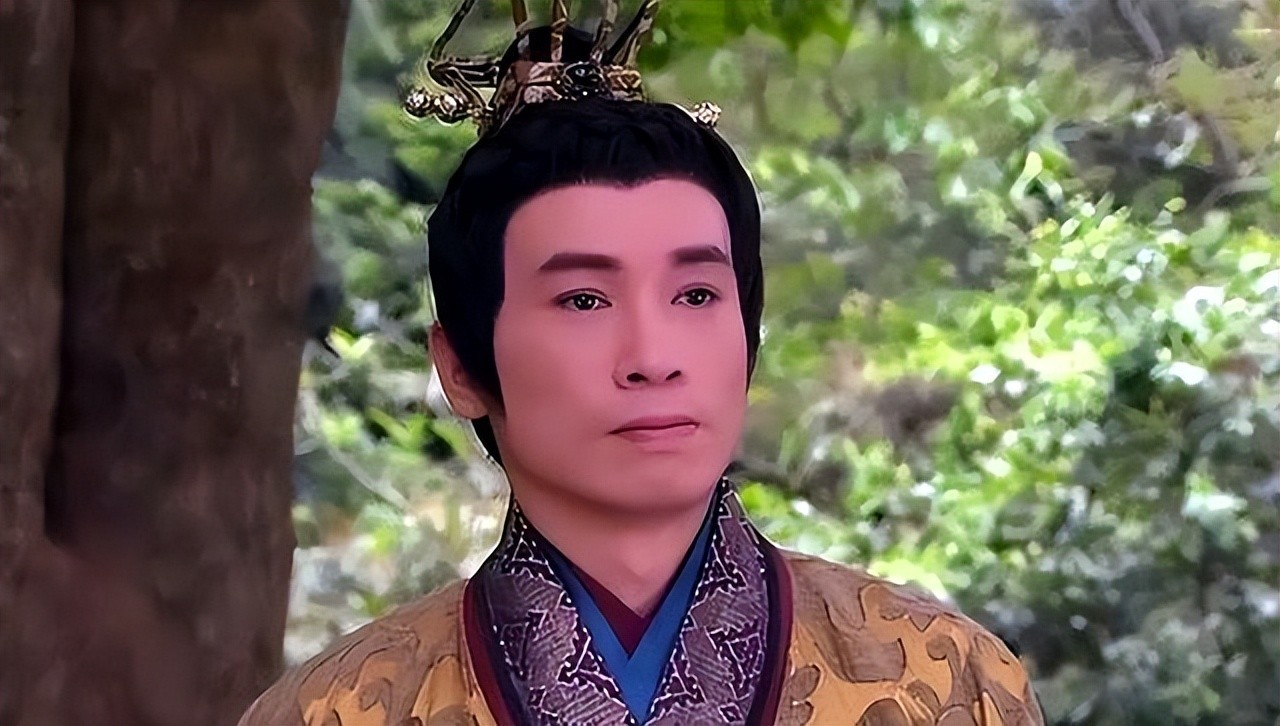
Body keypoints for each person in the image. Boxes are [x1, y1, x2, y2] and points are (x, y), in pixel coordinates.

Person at [240, 2, 1045, 724]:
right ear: (461, 370)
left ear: (749, 336)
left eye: (696, 295)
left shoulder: (947, 682)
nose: (653, 359)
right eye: (584, 300)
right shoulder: (334, 711)